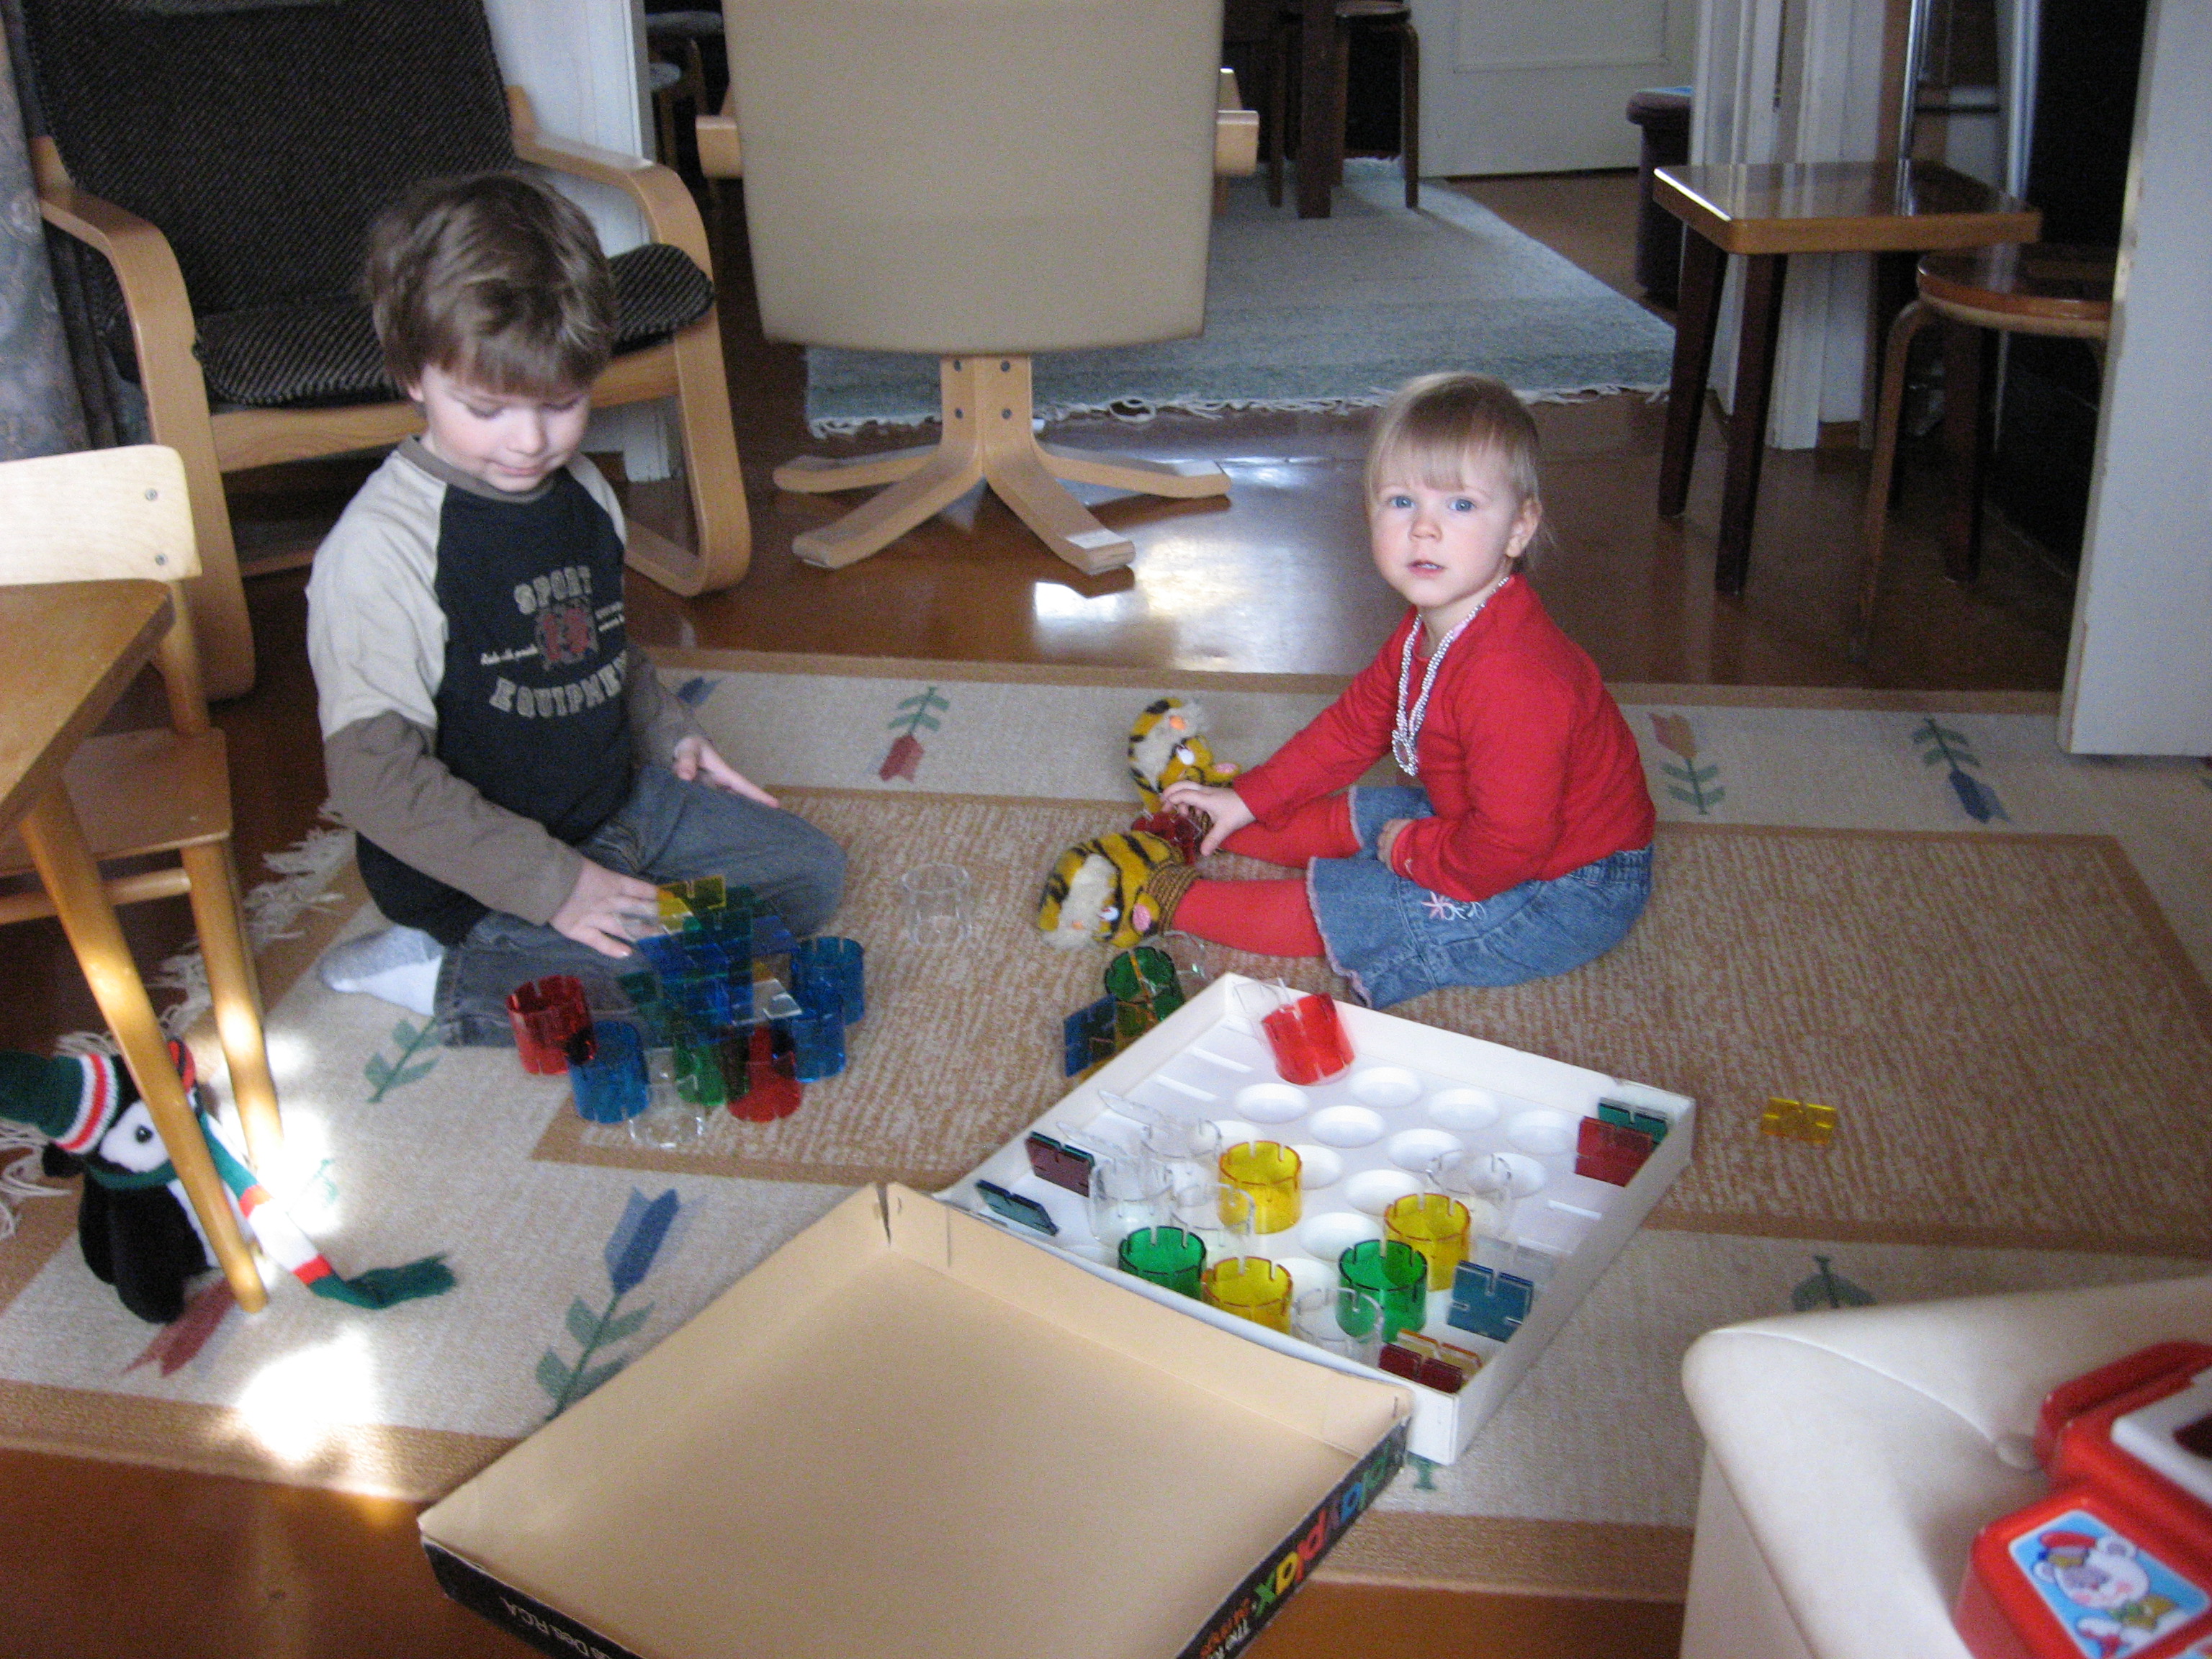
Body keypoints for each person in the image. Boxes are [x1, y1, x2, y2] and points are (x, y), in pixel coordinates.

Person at [306, 172, 843, 1043]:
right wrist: (556, 886)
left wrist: (671, 736)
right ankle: (441, 968)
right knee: (675, 984)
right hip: (477, 873)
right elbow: (375, 783)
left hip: (618, 811)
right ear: (412, 376)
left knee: (812, 875)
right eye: (486, 408)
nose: (530, 441)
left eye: (560, 403)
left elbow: (599, 650)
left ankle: (598, 918)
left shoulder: (583, 488)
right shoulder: (380, 550)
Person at [1070, 372, 1653, 1008]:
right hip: (1491, 826)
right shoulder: (1429, 629)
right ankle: (1213, 820)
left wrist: (1414, 852)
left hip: (1567, 887)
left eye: (1461, 505)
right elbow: (1352, 730)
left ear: (1519, 527)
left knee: (1373, 903)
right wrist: (1248, 797)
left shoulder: (1515, 681)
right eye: (1401, 501)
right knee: (1369, 812)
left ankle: (1162, 896)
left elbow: (1509, 847)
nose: (1425, 529)